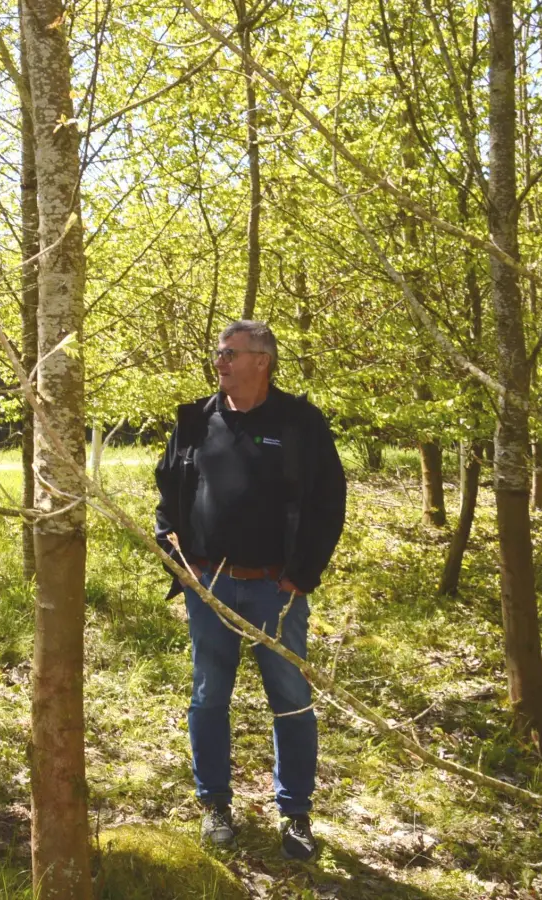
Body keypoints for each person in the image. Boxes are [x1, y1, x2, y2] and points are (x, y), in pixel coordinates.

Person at [154, 319, 347, 861]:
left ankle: (296, 814)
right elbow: (167, 491)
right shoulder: (197, 420)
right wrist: (180, 563)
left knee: (290, 700)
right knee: (208, 697)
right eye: (218, 352)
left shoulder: (301, 423)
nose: (219, 361)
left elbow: (329, 504)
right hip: (209, 586)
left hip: (275, 591)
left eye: (230, 353)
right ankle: (215, 805)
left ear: (262, 360)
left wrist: (300, 576)